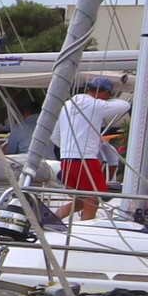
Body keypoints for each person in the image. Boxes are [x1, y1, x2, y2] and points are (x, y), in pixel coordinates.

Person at [55, 73, 132, 218]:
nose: (108, 99)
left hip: (66, 160)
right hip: (85, 160)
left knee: (80, 200)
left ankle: (51, 219)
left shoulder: (68, 103)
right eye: (108, 95)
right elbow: (125, 105)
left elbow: (56, 135)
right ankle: (86, 228)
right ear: (102, 92)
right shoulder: (95, 104)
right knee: (93, 199)